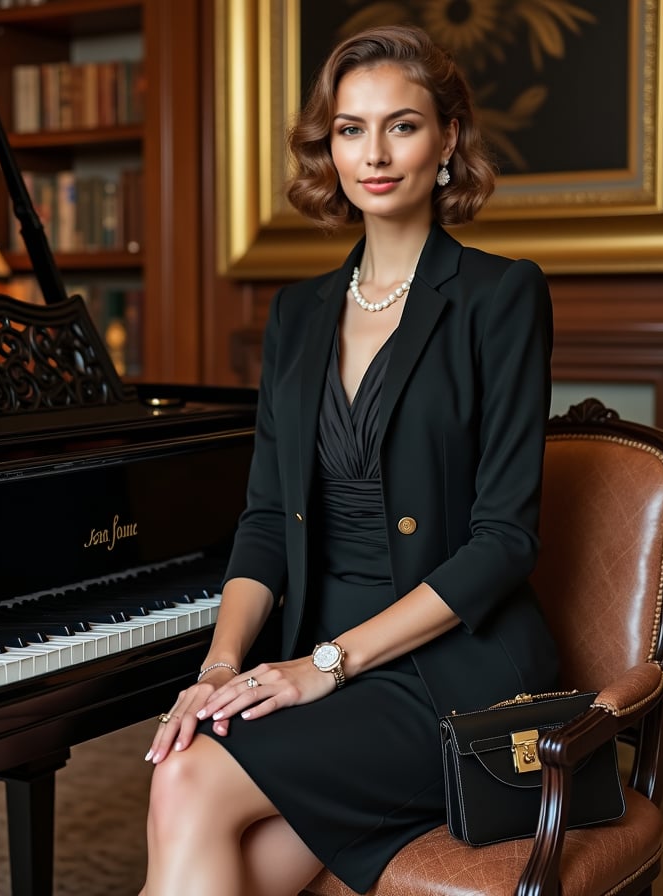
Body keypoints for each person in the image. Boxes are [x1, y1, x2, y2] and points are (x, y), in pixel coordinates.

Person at [139, 24, 559, 896]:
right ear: (327, 147)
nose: (375, 153)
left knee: (184, 778)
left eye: (402, 126)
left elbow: (504, 540)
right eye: (350, 128)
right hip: (314, 658)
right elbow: (263, 521)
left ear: (447, 139)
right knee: (239, 868)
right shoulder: (296, 315)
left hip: (450, 672)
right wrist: (221, 667)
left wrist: (326, 667)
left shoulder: (501, 294)